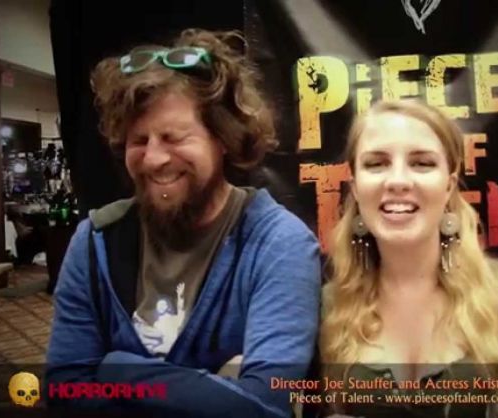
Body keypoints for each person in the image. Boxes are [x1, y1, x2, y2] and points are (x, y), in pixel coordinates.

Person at [46, 29, 321, 418]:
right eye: (139, 140)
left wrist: (118, 368)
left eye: (173, 138)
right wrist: (215, 389)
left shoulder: (277, 244)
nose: (153, 158)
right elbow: (64, 390)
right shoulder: (95, 241)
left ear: (223, 138)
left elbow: (264, 405)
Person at [320, 100, 498, 417]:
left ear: (449, 186)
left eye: (422, 163)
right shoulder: (326, 309)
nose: (398, 181)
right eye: (377, 164)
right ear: (355, 188)